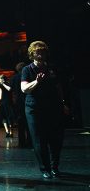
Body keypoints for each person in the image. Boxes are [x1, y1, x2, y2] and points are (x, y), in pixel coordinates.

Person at [21, 41, 68, 179]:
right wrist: (37, 82)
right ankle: (45, 168)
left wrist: (63, 103)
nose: (40, 53)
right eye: (37, 51)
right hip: (34, 109)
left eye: (43, 51)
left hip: (53, 108)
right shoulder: (27, 70)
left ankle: (54, 167)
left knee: (55, 139)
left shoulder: (52, 69)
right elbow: (24, 89)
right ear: (32, 54)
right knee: (39, 140)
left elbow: (58, 88)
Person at [11, 62, 31, 148]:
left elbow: (11, 89)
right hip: (27, 100)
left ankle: (21, 143)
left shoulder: (14, 77)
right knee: (29, 123)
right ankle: (30, 142)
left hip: (18, 102)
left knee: (20, 124)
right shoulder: (28, 76)